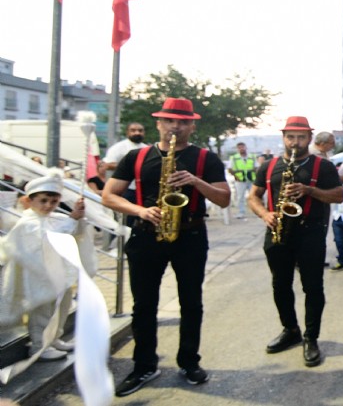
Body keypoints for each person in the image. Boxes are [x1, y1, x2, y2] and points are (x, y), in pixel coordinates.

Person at [102, 97, 230, 396]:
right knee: (143, 305)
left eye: (183, 121)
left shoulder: (205, 159)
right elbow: (109, 196)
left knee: (191, 303)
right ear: (158, 123)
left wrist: (196, 181)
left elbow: (223, 198)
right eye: (170, 120)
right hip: (146, 233)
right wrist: (140, 211)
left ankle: (189, 361)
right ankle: (144, 365)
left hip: (190, 236)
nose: (176, 126)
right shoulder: (136, 156)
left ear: (191, 125)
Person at [247, 116, 343, 367]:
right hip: (277, 232)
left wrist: (310, 190)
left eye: (301, 137)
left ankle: (311, 337)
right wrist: (265, 214)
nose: (295, 142)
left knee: (312, 288)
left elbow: (338, 196)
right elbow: (253, 197)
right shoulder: (269, 166)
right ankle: (290, 330)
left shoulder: (322, 166)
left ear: (310, 138)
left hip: (310, 233)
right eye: (290, 136)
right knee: (280, 285)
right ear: (283, 137)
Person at [0, 170, 95, 362]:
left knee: (60, 309)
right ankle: (39, 346)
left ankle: (54, 338)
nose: (48, 205)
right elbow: (47, 240)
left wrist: (79, 217)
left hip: (58, 274)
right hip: (39, 277)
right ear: (29, 201)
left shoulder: (54, 218)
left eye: (53, 201)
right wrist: (72, 219)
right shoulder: (27, 223)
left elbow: (75, 232)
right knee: (42, 312)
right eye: (43, 201)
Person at [102, 122, 147, 225]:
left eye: (140, 130)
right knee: (123, 222)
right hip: (125, 190)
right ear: (127, 132)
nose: (137, 133)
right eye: (133, 130)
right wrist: (130, 167)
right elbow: (107, 165)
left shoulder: (146, 149)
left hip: (141, 190)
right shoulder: (118, 148)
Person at [227, 142, 256, 219]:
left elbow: (257, 167)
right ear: (237, 149)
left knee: (254, 196)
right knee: (240, 197)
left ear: (246, 147)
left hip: (251, 179)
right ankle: (241, 212)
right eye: (239, 148)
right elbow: (229, 169)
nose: (241, 149)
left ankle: (255, 210)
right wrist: (235, 176)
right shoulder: (234, 158)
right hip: (240, 180)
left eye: (242, 147)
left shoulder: (252, 157)